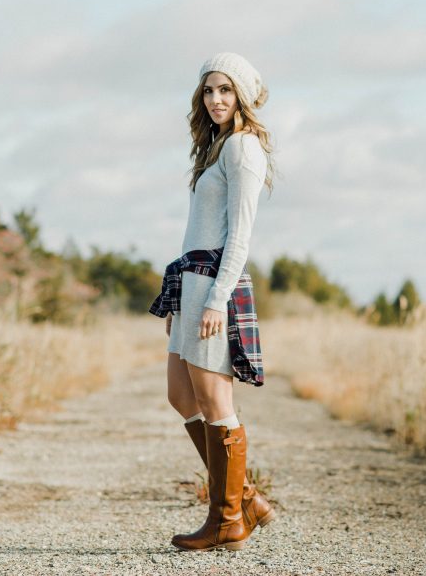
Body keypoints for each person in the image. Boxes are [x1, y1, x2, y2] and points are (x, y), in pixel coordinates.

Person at [149, 52, 277, 551]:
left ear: (242, 94)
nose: (216, 99)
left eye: (225, 90)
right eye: (209, 90)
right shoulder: (217, 148)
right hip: (194, 281)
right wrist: (184, 298)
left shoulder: (243, 149)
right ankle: (245, 498)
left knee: (216, 402)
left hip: (215, 285)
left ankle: (227, 520)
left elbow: (241, 237)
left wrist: (215, 301)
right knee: (182, 396)